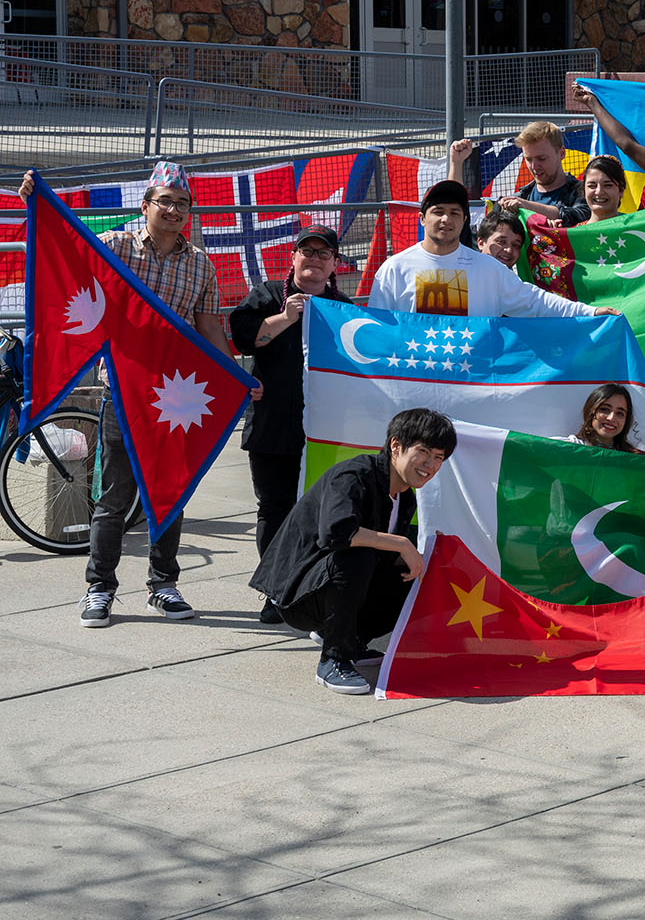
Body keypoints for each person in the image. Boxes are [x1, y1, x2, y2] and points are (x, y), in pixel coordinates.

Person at [18, 162, 252, 628]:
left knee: (171, 493)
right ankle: (99, 588)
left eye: (182, 203)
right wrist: (35, 203)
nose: (173, 210)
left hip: (174, 398)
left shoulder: (201, 265)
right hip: (122, 392)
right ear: (146, 205)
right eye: (164, 201)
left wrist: (237, 375)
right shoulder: (115, 247)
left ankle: (163, 585)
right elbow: (66, 254)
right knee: (114, 498)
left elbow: (208, 330)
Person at [250, 409, 457, 695]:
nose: (430, 464)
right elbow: (337, 533)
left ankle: (352, 640)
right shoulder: (354, 475)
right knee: (356, 557)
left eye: (439, 457)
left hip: (329, 585)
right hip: (297, 595)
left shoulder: (404, 495)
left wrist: (425, 559)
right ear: (396, 446)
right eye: (424, 451)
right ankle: (334, 660)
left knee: (415, 571)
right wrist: (401, 544)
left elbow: (385, 559)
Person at [230, 225, 353, 624]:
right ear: (293, 258)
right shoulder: (266, 296)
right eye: (307, 251)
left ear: (334, 264)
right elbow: (246, 341)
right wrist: (286, 316)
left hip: (326, 430)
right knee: (274, 509)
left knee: (323, 513)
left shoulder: (346, 308)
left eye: (323, 254)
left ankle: (313, 588)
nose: (314, 259)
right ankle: (275, 591)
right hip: (273, 426)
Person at [366, 179, 617, 318]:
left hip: (474, 386)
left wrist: (591, 312)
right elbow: (380, 331)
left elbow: (536, 301)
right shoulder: (393, 269)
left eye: (455, 213)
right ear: (422, 218)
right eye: (438, 212)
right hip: (416, 387)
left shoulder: (488, 270)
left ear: (464, 221)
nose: (446, 219)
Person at [450, 121, 588, 227]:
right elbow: (457, 216)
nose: (534, 166)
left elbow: (576, 217)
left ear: (562, 153)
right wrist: (456, 163)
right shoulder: (518, 198)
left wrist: (526, 206)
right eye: (528, 159)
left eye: (542, 158)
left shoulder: (584, 192)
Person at [563, 383, 641, 452]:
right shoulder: (568, 448)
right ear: (591, 411)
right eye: (604, 409)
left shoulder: (633, 460)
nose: (611, 418)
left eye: (619, 413)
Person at [576, 156, 628, 225]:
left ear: (621, 190)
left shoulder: (636, 229)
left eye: (607, 185)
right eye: (592, 186)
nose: (599, 192)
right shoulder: (571, 234)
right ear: (584, 190)